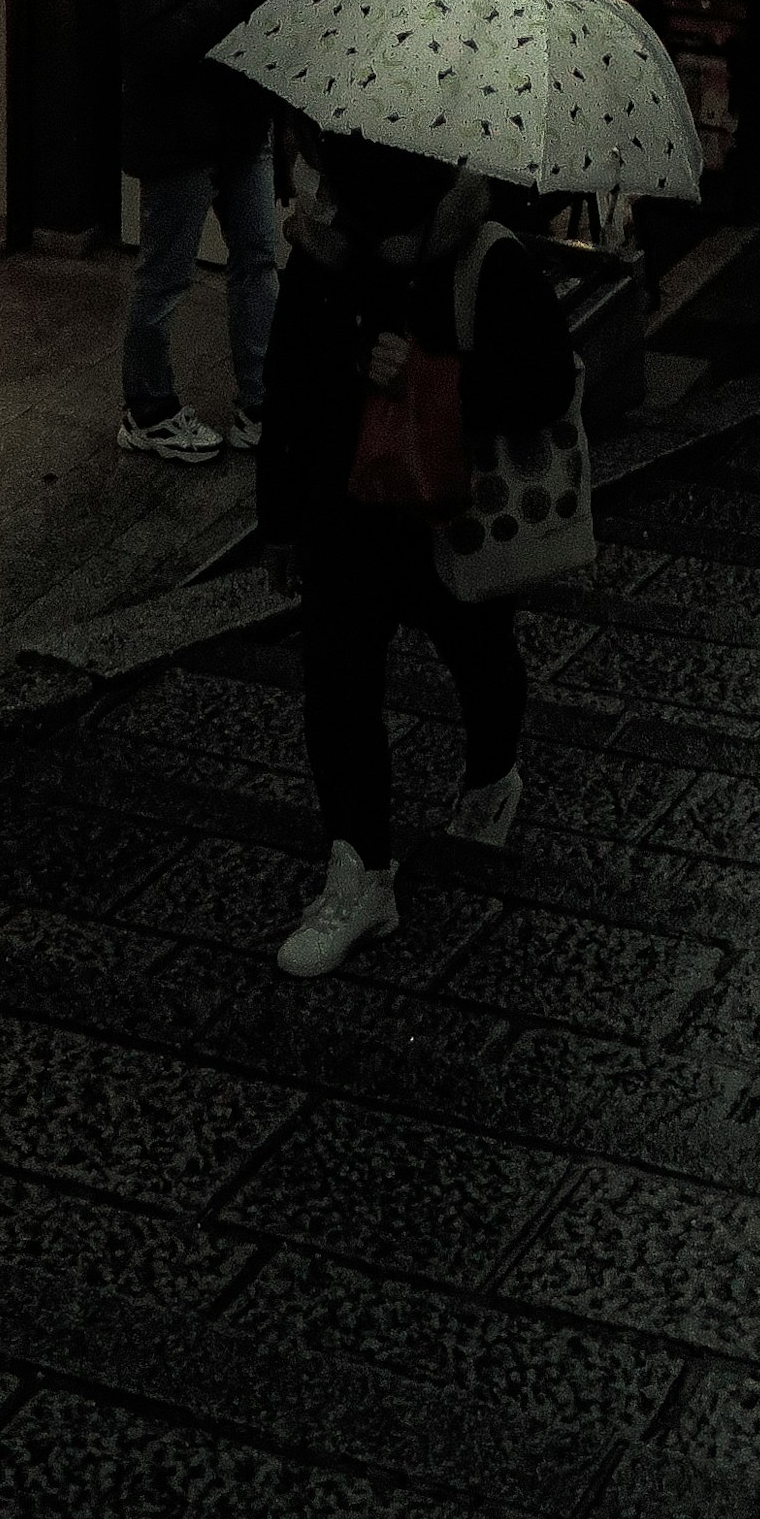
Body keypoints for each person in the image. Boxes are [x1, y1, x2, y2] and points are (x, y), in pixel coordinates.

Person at [255, 130, 580, 976]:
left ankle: (492, 774)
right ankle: (360, 868)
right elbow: (290, 381)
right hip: (345, 507)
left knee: (477, 654)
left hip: (449, 514)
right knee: (337, 680)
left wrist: (430, 374)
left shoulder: (485, 254)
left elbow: (545, 383)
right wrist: (281, 519)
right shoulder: (322, 252)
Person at [114, 0, 299, 462]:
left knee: (256, 259)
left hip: (233, 122)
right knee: (165, 276)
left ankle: (261, 402)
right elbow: (155, 43)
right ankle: (149, 410)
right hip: (180, 131)